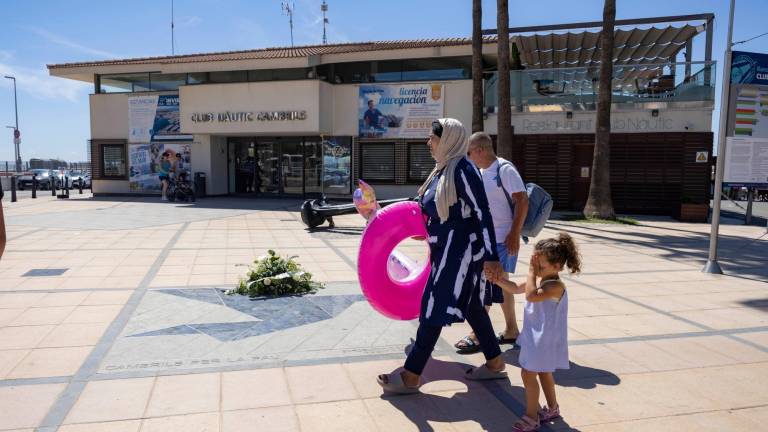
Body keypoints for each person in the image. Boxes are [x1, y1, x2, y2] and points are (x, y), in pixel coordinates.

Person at [377, 118, 507, 394]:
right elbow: (428, 207)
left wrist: (492, 256)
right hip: (445, 249)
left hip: (460, 252)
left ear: (447, 140)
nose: (428, 143)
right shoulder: (442, 170)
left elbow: (483, 213)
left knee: (434, 304)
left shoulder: (462, 170)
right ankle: (495, 362)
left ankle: (412, 374)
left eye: (432, 138)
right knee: (472, 306)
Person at [488, 232, 581, 431]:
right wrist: (497, 280)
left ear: (557, 267)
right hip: (536, 337)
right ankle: (553, 408)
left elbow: (530, 296)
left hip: (543, 341)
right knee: (544, 373)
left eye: (541, 265)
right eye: (535, 263)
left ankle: (531, 417)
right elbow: (513, 288)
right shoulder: (540, 280)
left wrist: (531, 271)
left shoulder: (554, 286)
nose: (536, 268)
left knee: (528, 374)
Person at [456, 132, 529, 353]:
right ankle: (511, 330)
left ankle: (477, 333)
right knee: (501, 283)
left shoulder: (504, 169)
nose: (468, 157)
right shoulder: (481, 171)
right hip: (490, 238)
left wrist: (514, 233)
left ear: (480, 150)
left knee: (488, 281)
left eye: (469, 153)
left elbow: (522, 200)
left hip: (504, 238)